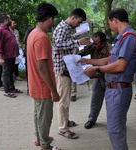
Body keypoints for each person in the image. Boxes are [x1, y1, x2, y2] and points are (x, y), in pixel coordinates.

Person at [78, 8, 136, 150]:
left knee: (115, 130)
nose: (109, 26)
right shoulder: (123, 38)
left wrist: (97, 69)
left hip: (119, 89)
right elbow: (109, 60)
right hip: (114, 89)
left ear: (115, 20)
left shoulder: (129, 37)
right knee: (116, 128)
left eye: (109, 23)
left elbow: (119, 65)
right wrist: (88, 62)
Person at [52, 8, 91, 139]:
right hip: (61, 70)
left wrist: (76, 38)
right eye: (79, 22)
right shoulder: (62, 28)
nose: (79, 25)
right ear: (73, 18)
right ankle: (63, 128)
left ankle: (65, 121)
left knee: (66, 99)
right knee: (63, 101)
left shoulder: (66, 29)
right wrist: (78, 42)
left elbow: (64, 41)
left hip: (66, 69)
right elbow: (58, 45)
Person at [27, 2, 61, 150]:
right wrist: (53, 90)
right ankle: (45, 145)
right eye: (53, 18)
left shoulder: (32, 34)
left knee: (38, 114)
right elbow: (42, 67)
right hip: (42, 85)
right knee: (45, 117)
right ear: (50, 18)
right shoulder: (41, 37)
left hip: (35, 83)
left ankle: (40, 138)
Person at [79, 31, 112, 129]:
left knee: (110, 103)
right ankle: (91, 120)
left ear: (103, 43)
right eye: (93, 42)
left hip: (109, 80)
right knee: (95, 100)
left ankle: (112, 122)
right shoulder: (93, 46)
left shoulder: (111, 50)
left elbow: (107, 65)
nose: (94, 44)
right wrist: (82, 43)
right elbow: (80, 54)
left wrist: (90, 73)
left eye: (96, 43)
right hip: (98, 78)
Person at [0, 13, 22, 98]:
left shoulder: (7, 29)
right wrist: (0, 58)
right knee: (6, 73)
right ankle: (7, 91)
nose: (11, 20)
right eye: (10, 19)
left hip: (12, 55)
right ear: (5, 20)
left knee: (10, 73)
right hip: (6, 56)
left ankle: (12, 88)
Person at [23, 27, 35, 95]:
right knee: (29, 72)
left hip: (32, 55)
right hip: (29, 55)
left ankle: (31, 88)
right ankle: (29, 88)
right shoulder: (31, 30)